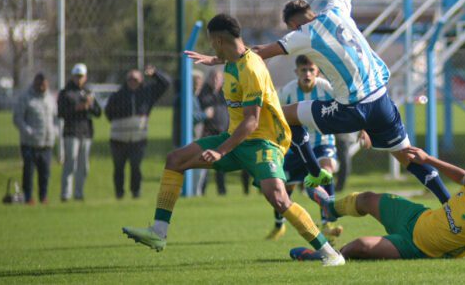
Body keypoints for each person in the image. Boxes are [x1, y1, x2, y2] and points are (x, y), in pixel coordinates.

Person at [230, 0, 451, 204]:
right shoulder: (337, 9)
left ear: (292, 24)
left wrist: (219, 57)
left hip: (351, 109)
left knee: (281, 113)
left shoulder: (303, 34)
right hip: (381, 101)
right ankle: (449, 204)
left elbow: (260, 51)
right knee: (409, 157)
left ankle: (314, 174)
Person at [123, 14, 345, 266]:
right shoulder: (232, 60)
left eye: (212, 43)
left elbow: (252, 120)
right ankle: (158, 232)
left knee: (279, 199)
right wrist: (213, 59)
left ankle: (330, 254)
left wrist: (220, 151)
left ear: (218, 40)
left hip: (264, 143)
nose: (211, 47)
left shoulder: (251, 68)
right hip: (236, 139)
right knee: (175, 159)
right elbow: (238, 55)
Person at [292, 147, 465, 261]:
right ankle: (329, 207)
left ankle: (321, 255)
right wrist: (428, 159)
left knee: (359, 246)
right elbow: (459, 175)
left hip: (416, 247)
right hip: (415, 217)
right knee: (367, 199)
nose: (464, 177)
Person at [266, 55, 344, 242]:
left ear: (317, 71)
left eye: (311, 70)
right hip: (297, 146)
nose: (307, 74)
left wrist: (363, 129)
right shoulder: (288, 91)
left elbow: (348, 104)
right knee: (284, 187)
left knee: (326, 171)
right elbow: (273, 112)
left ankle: (327, 222)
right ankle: (279, 225)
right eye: (303, 70)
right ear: (297, 72)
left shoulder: (326, 88)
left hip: (323, 142)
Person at [105, 65, 170, 199]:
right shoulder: (117, 95)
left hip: (138, 139)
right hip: (118, 139)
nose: (132, 82)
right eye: (130, 79)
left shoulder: (148, 93)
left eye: (135, 79)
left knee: (136, 167)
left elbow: (166, 83)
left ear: (141, 80)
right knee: (118, 169)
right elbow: (108, 113)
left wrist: (155, 73)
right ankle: (119, 194)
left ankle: (136, 193)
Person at [197, 69, 248, 195]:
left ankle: (222, 191)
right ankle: (201, 191)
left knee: (221, 164)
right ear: (209, 79)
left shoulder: (225, 94)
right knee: (206, 163)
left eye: (218, 78)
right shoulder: (203, 94)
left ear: (221, 80)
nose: (215, 81)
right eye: (213, 78)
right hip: (208, 133)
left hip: (224, 133)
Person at [58, 63, 102, 201]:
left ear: (85, 77)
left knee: (84, 166)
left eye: (81, 76)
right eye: (77, 76)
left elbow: (98, 112)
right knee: (70, 163)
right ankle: (66, 194)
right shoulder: (66, 93)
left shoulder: (88, 92)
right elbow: (61, 113)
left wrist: (90, 105)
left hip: (86, 132)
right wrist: (77, 108)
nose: (79, 79)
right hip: (71, 132)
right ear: (73, 76)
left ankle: (79, 193)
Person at [13, 73, 58, 204]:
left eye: (44, 84)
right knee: (28, 173)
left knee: (45, 173)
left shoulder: (50, 98)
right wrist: (28, 131)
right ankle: (28, 197)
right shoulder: (25, 98)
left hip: (47, 143)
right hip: (29, 143)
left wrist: (55, 131)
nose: (42, 86)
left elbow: (55, 117)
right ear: (35, 83)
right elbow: (17, 118)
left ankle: (43, 196)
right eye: (40, 84)